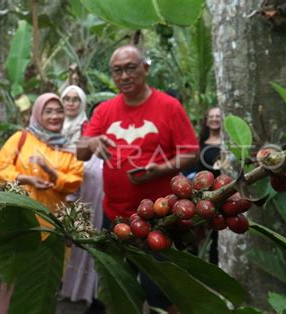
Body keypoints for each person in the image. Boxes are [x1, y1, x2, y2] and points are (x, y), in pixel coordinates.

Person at [76, 45, 199, 313]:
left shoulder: (169, 106)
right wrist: (93, 140)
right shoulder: (105, 110)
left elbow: (191, 152)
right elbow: (80, 152)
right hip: (116, 216)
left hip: (161, 215)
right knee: (120, 286)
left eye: (131, 67)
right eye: (117, 70)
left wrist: (160, 168)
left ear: (146, 68)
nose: (124, 76)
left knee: (163, 289)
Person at [0, 93, 84, 313]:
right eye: (48, 111)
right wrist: (24, 178)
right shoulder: (21, 139)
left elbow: (74, 182)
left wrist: (52, 174)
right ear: (37, 113)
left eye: (59, 111)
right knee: (13, 276)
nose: (55, 116)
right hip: (20, 221)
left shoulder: (69, 149)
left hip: (52, 226)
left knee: (45, 281)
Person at [57, 85, 105, 313]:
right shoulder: (52, 126)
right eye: (67, 98)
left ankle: (93, 296)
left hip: (93, 200)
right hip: (62, 197)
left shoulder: (89, 131)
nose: (71, 103)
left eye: (76, 99)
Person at [197, 107, 222, 265]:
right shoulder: (200, 143)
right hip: (207, 195)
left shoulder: (230, 143)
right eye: (211, 116)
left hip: (227, 191)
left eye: (218, 116)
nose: (214, 119)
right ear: (206, 121)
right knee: (212, 235)